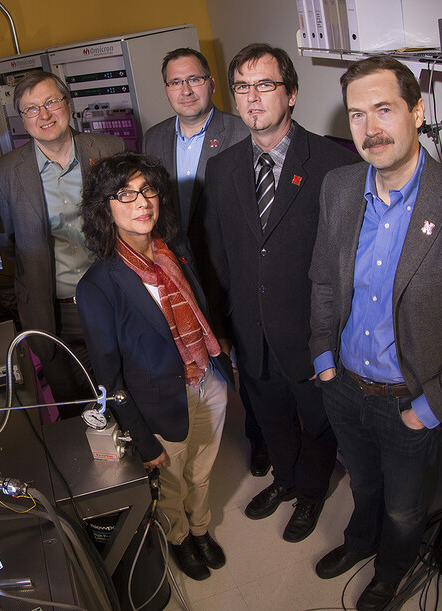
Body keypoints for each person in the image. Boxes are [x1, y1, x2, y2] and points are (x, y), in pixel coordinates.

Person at [309, 56, 442, 610]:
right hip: (345, 386)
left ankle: (391, 573)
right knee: (363, 485)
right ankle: (357, 542)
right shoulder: (339, 188)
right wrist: (324, 359)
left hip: (409, 402)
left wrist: (427, 409)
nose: (369, 130)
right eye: (356, 115)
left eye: (384, 110)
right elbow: (323, 278)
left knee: (404, 507)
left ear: (417, 112)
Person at [203, 43, 357, 542]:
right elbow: (215, 255)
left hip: (313, 335)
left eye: (264, 85)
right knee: (269, 417)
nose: (252, 98)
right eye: (242, 88)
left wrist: (333, 334)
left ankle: (311, 495)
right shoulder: (223, 168)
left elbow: (345, 261)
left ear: (290, 93)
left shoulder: (334, 164)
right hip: (252, 331)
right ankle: (285, 482)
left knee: (317, 422)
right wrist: (224, 329)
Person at [76, 151, 229, 582]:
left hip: (206, 381)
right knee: (174, 480)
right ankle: (180, 537)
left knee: (202, 470)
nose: (141, 202)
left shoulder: (175, 250)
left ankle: (201, 529)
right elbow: (108, 377)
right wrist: (144, 441)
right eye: (125, 194)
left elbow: (202, 305)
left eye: (147, 190)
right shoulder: (98, 286)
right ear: (104, 208)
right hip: (159, 401)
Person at [143, 47, 270, 478]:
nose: (186, 89)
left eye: (194, 79)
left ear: (211, 83)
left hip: (230, 268)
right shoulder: (154, 138)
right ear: (166, 90)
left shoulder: (239, 132)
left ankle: (261, 439)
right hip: (179, 272)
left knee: (246, 361)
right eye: (176, 82)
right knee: (202, 362)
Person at [0, 70, 125, 412]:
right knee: (74, 405)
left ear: (68, 104)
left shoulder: (109, 150)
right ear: (22, 119)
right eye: (31, 109)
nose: (44, 115)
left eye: (51, 102)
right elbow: (5, 240)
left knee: (126, 391)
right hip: (53, 310)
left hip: (115, 299)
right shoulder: (5, 173)